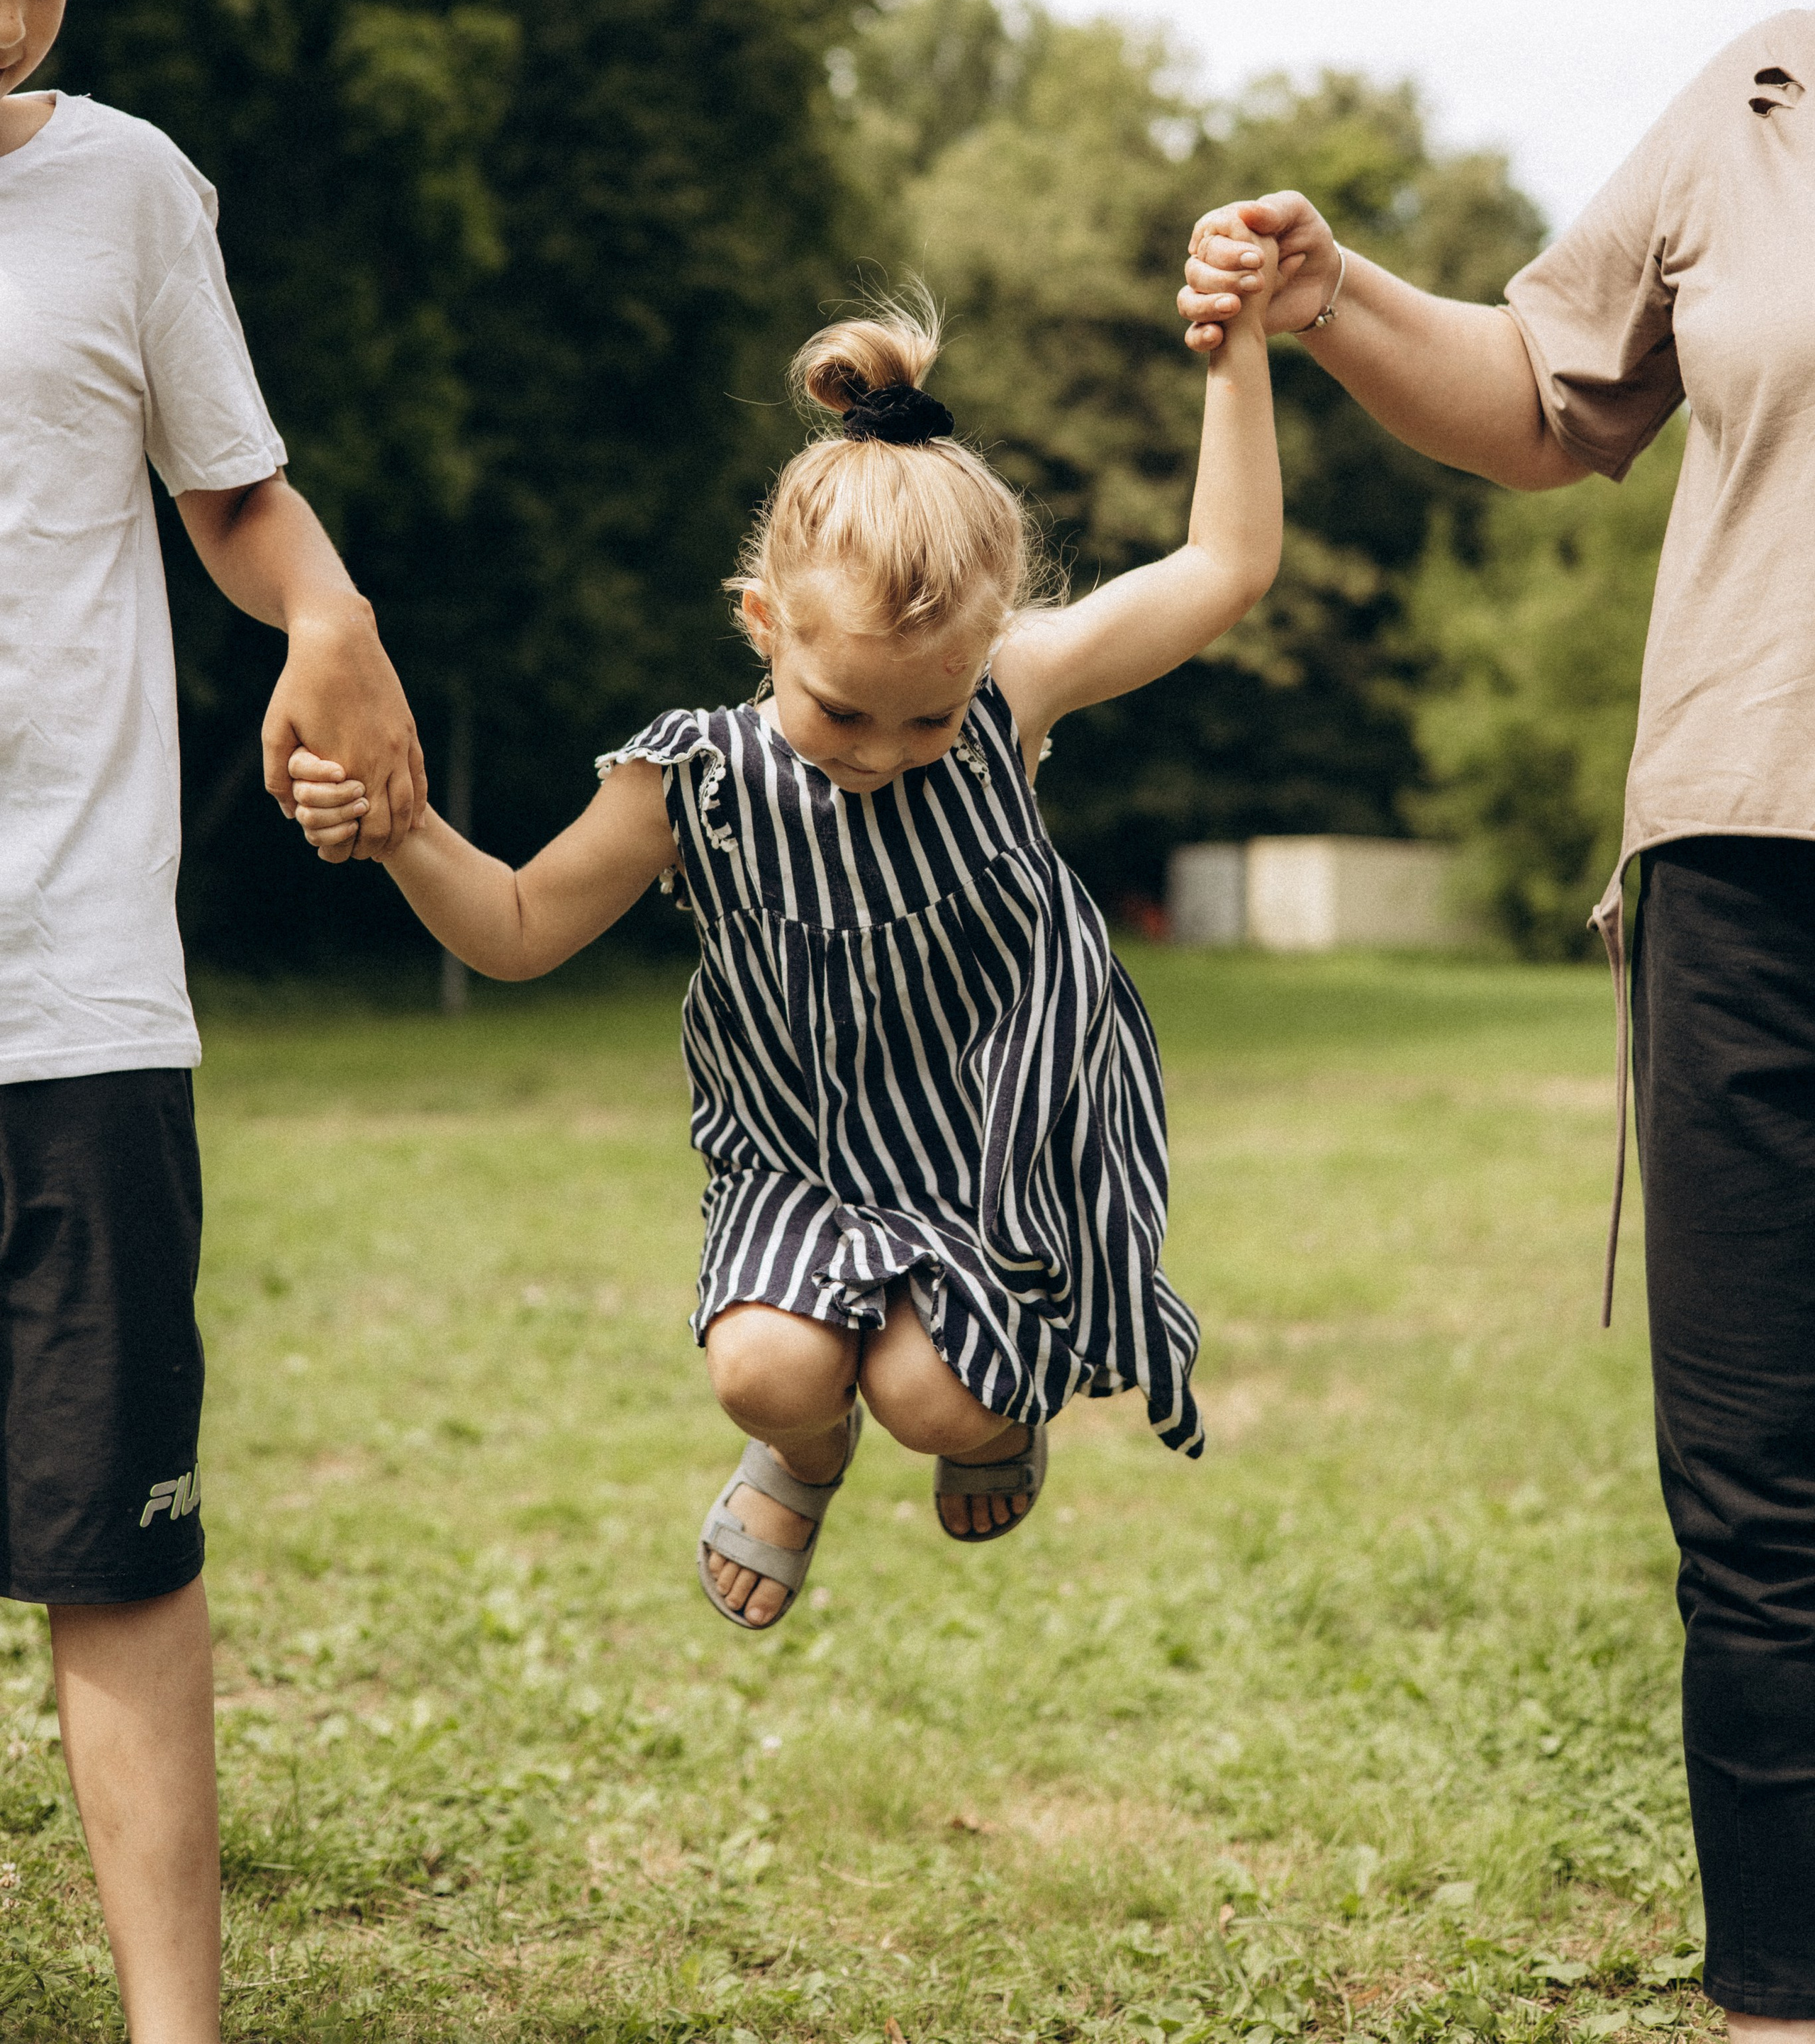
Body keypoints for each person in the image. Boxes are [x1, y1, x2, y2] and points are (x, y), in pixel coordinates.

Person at [288, 264, 1283, 1629]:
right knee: (767, 1370)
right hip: (800, 1161)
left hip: (983, 1149)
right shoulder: (690, 781)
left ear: (987, 653)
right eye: (843, 712)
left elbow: (1225, 568)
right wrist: (398, 832)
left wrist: (1239, 354)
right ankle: (804, 1459)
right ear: (765, 624)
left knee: (939, 1398)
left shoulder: (1012, 695)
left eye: (926, 724)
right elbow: (516, 929)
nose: (884, 756)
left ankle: (988, 1426)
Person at [1176, 13, 1815, 2043]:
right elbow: (1549, 390)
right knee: (1763, 1504)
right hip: (1749, 863)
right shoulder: (1765, 99)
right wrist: (1334, 291)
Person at [0, 0, 425, 2044]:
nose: (12, 20)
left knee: (115, 1554)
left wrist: (337, 622)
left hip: (74, 1001)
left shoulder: (130, 195)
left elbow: (238, 497)